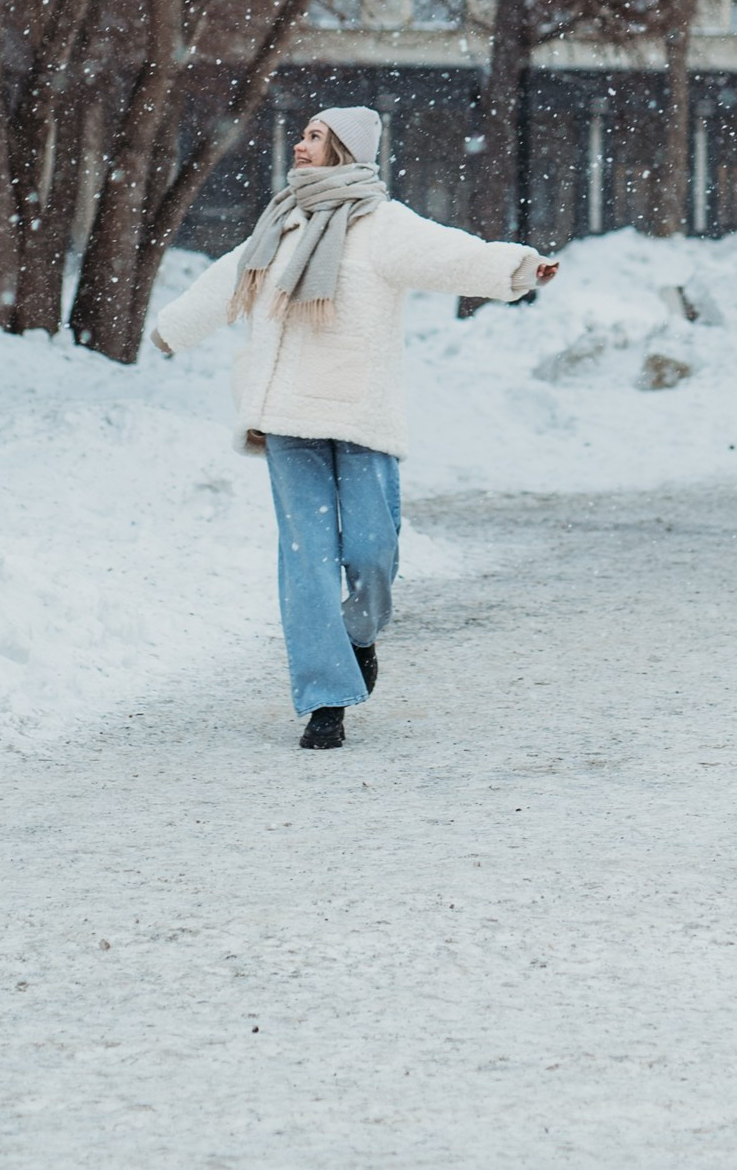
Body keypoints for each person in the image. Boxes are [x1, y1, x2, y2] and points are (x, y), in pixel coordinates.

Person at [150, 104, 558, 749]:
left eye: (315, 137)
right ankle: (327, 698)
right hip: (286, 414)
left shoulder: (381, 225)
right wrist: (174, 326)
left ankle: (358, 633)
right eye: (304, 134)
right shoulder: (280, 222)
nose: (301, 145)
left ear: (345, 149)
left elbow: (448, 253)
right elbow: (228, 278)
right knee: (305, 559)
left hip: (359, 413)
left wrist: (513, 269)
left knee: (371, 551)